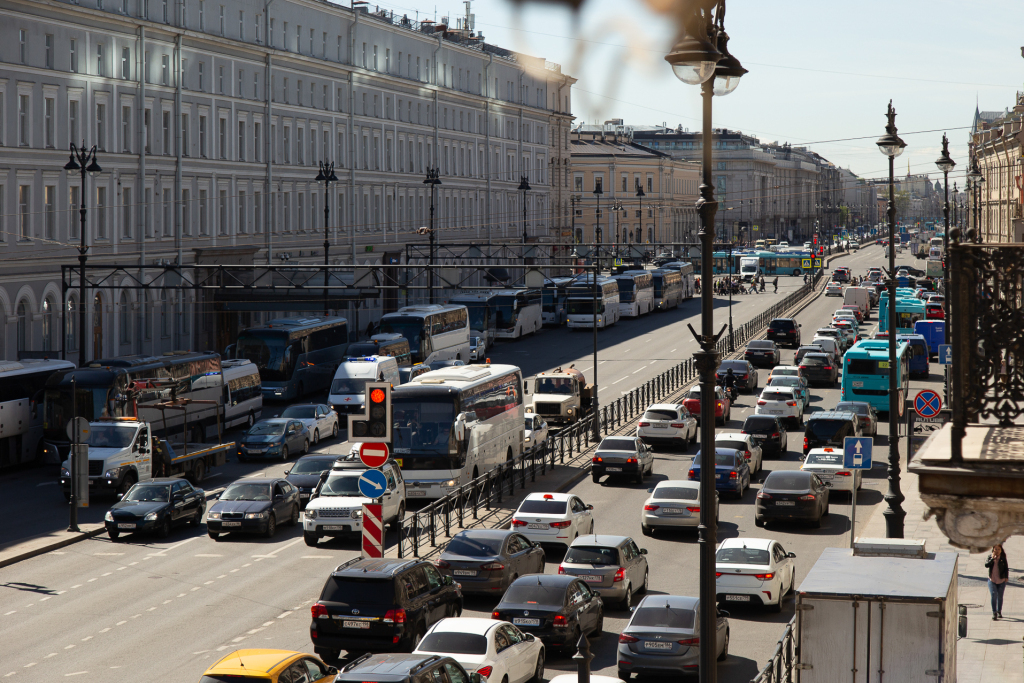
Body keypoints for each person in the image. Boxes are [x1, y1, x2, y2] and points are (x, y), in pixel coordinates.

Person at [986, 544, 1009, 619]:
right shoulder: (990, 557)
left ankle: (999, 611)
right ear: (993, 550)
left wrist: (1006, 577)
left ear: (1001, 550)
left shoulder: (1003, 558)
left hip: (1001, 580)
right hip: (992, 580)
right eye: (995, 549)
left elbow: (1006, 568)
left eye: (998, 549)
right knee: (993, 595)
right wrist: (992, 559)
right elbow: (986, 565)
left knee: (1000, 596)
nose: (997, 551)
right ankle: (994, 612)